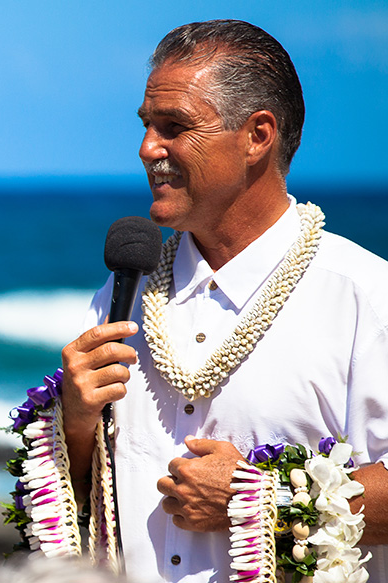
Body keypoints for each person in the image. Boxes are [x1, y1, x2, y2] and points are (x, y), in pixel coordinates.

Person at [60, 20, 388, 580]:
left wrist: (260, 501)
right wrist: (74, 423)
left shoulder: (361, 293)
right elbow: (84, 498)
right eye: (146, 126)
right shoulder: (122, 297)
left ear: (257, 136)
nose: (147, 149)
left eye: (174, 127)